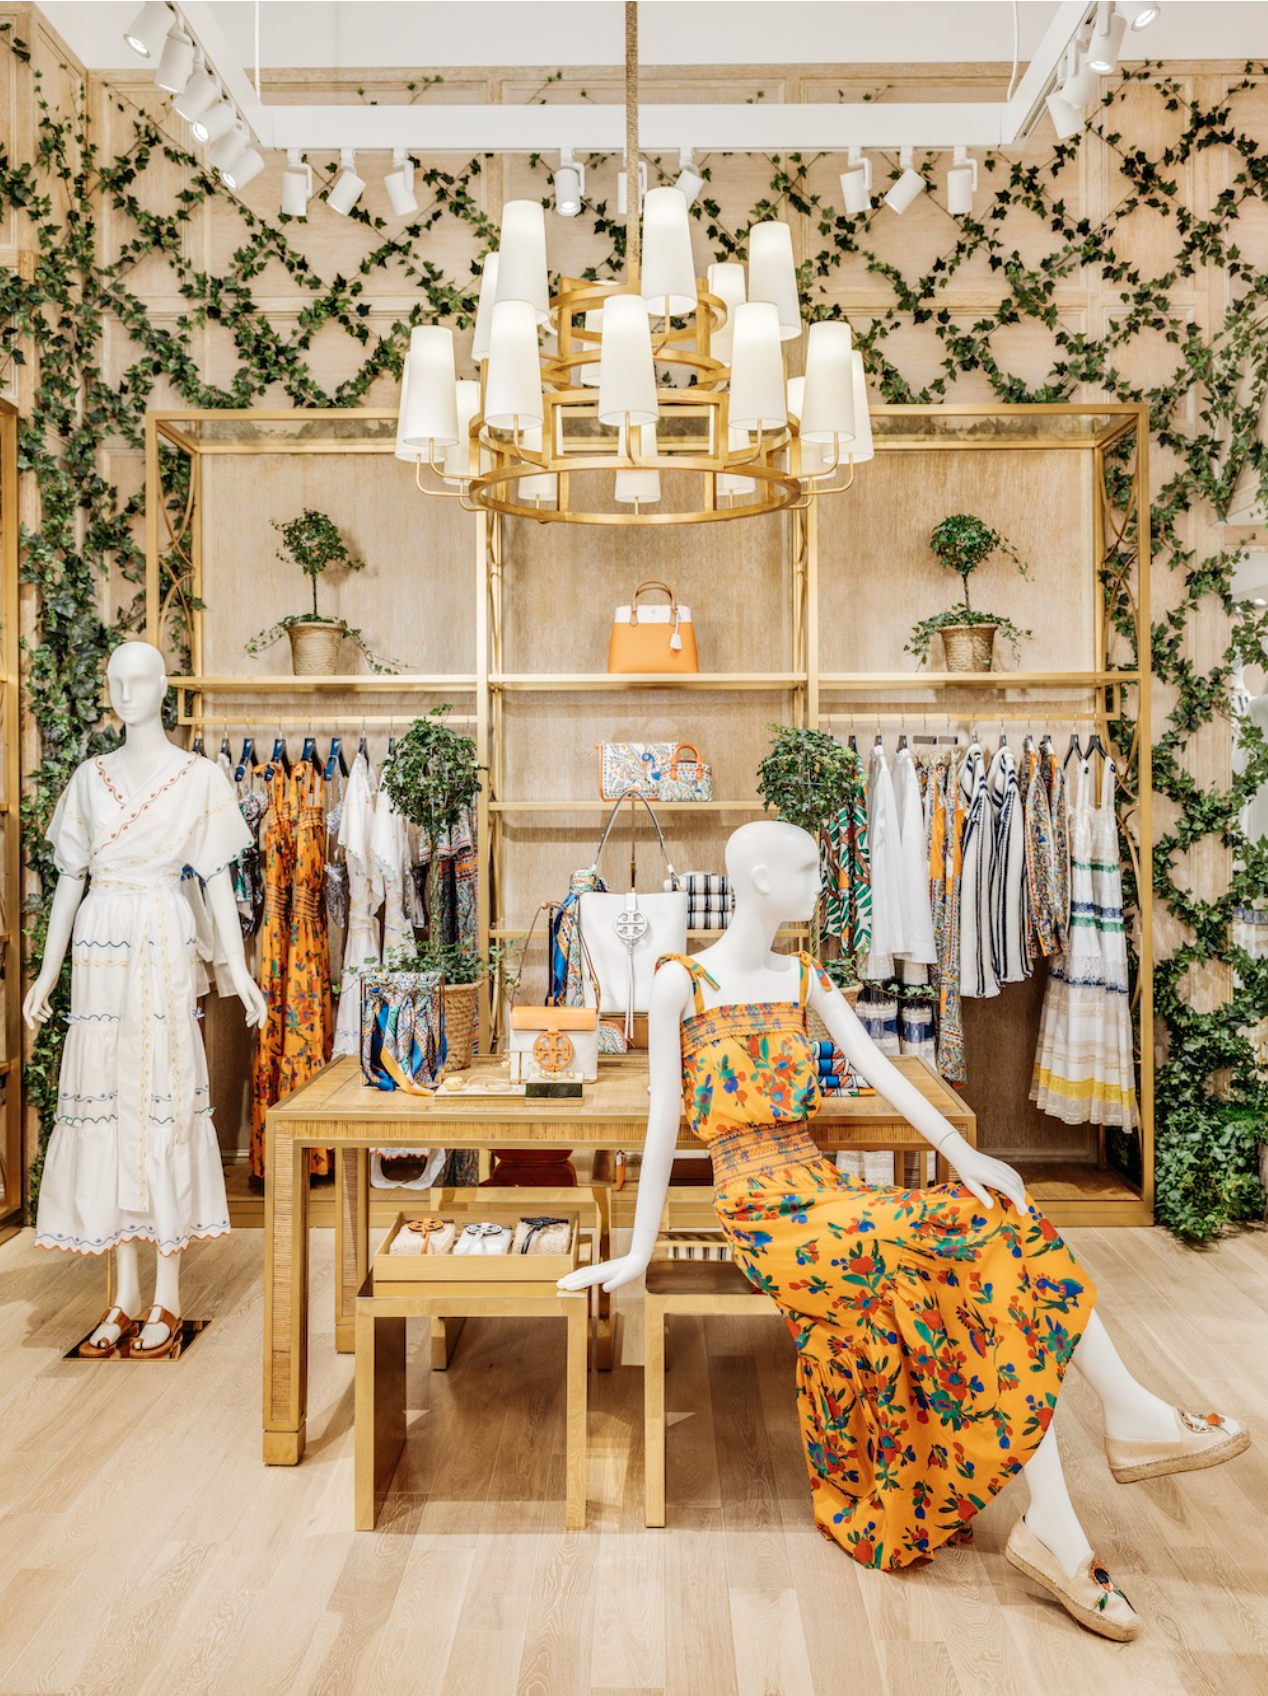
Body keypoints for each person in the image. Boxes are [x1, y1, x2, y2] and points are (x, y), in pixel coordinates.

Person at [562, 820, 1249, 1640]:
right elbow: (663, 1120)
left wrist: (964, 1153)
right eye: (809, 866)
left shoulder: (801, 978)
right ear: (757, 881)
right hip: (760, 1211)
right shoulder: (682, 983)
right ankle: (1082, 1493)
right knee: (949, 1256)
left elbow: (881, 1068)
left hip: (822, 1187)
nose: (825, 877)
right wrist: (637, 1252)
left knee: (996, 1223)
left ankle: (1101, 1460)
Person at [23, 641, 266, 1359]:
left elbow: (217, 877)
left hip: (160, 931)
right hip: (102, 939)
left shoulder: (198, 778)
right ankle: (122, 1297)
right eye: (116, 681)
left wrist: (239, 970)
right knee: (105, 1103)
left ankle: (168, 1294)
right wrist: (46, 972)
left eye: (140, 680)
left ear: (164, 687)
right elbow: (69, 879)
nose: (126, 692)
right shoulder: (89, 780)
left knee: (159, 1101)